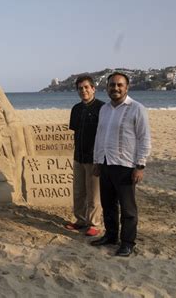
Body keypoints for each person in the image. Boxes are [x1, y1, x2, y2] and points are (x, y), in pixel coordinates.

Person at [91, 72, 151, 257]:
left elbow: (144, 138)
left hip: (126, 165)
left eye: (119, 85)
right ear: (107, 87)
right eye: (112, 85)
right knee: (108, 204)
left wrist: (140, 166)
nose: (115, 88)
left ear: (127, 87)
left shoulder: (137, 108)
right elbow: (100, 137)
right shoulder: (105, 109)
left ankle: (127, 243)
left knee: (128, 208)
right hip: (106, 162)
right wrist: (97, 161)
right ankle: (110, 236)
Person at [65, 75, 104, 237]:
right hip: (78, 157)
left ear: (93, 89)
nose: (84, 91)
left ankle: (94, 223)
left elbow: (104, 135)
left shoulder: (103, 108)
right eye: (80, 88)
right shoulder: (76, 109)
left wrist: (100, 159)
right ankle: (80, 220)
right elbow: (76, 132)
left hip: (94, 158)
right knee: (79, 191)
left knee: (94, 193)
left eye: (86, 87)